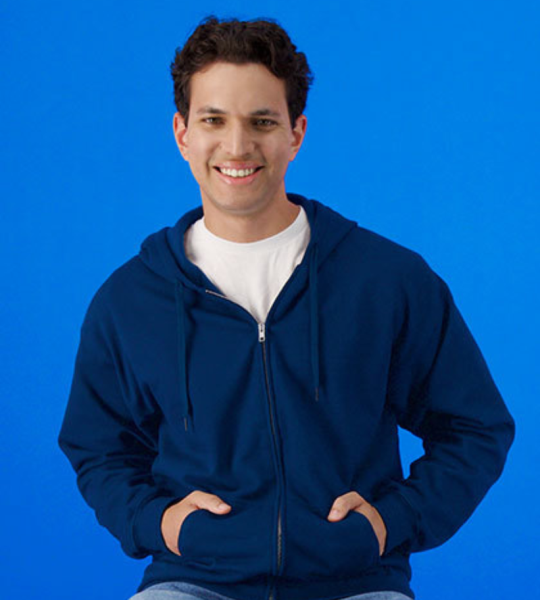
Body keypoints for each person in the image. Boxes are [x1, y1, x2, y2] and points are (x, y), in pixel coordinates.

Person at [58, 15, 515, 600]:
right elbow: (98, 448)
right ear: (182, 133)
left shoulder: (386, 280)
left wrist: (389, 522)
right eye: (213, 120)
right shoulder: (131, 298)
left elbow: (476, 427)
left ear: (296, 133)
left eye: (262, 121)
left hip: (355, 581)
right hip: (196, 580)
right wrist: (161, 522)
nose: (237, 146)